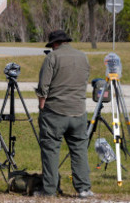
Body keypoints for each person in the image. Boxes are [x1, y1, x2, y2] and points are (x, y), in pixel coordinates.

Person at [35, 30, 93, 198]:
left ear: (54, 44)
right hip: (78, 111)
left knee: (51, 150)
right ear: (66, 41)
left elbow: (43, 86)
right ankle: (83, 188)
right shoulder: (83, 57)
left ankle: (50, 189)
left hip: (55, 112)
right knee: (79, 150)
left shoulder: (52, 58)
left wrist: (41, 105)